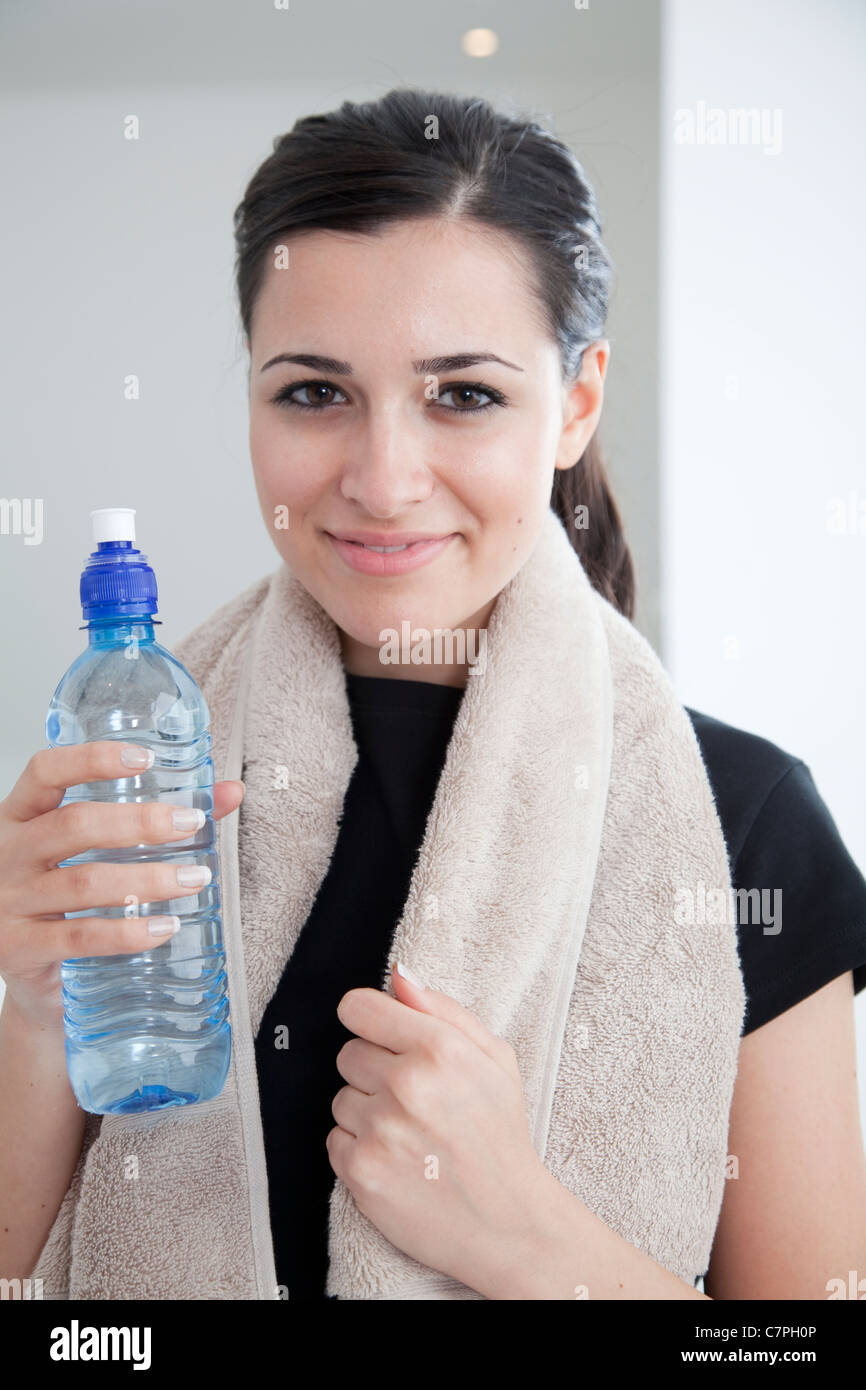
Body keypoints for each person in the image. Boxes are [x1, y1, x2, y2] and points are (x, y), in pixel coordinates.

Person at [2, 87, 865, 1300]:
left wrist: (522, 1236)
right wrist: (37, 1013)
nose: (382, 477)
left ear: (572, 402)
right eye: (313, 391)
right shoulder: (134, 793)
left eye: (464, 394)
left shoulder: (744, 817)